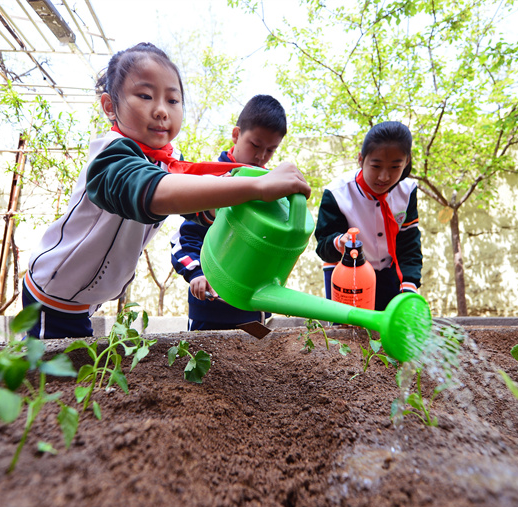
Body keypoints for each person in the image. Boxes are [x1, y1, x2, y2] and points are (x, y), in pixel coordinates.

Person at [22, 43, 310, 339]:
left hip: (80, 297)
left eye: (172, 100)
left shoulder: (165, 162)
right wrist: (257, 186)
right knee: (48, 378)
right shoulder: (111, 155)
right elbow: (153, 190)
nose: (161, 110)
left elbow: (198, 206)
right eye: (145, 96)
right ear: (110, 106)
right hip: (53, 295)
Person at [170, 95, 286, 331]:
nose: (261, 156)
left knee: (254, 364)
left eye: (270, 150)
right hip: (209, 309)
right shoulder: (212, 183)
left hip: (253, 310)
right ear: (236, 135)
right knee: (204, 365)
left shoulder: (271, 192)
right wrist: (196, 273)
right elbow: (183, 239)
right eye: (255, 145)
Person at [314, 121, 422, 311]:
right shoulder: (338, 193)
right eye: (376, 166)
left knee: (392, 331)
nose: (384, 177)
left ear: (406, 162)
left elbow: (409, 245)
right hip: (348, 279)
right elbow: (323, 247)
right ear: (360, 159)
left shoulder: (407, 191)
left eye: (395, 167)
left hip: (390, 274)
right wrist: (340, 242)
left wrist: (409, 286)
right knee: (350, 334)